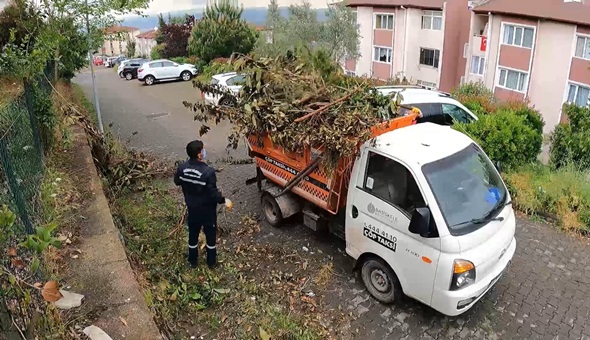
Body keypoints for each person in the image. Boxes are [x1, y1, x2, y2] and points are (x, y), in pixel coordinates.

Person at [174, 140, 232, 269]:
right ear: (200, 154)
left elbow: (177, 181)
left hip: (192, 209)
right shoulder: (208, 172)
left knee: (193, 235)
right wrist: (224, 200)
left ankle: (192, 261)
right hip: (207, 212)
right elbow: (213, 194)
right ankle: (211, 262)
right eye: (203, 150)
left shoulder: (182, 168)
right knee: (210, 237)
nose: (204, 152)